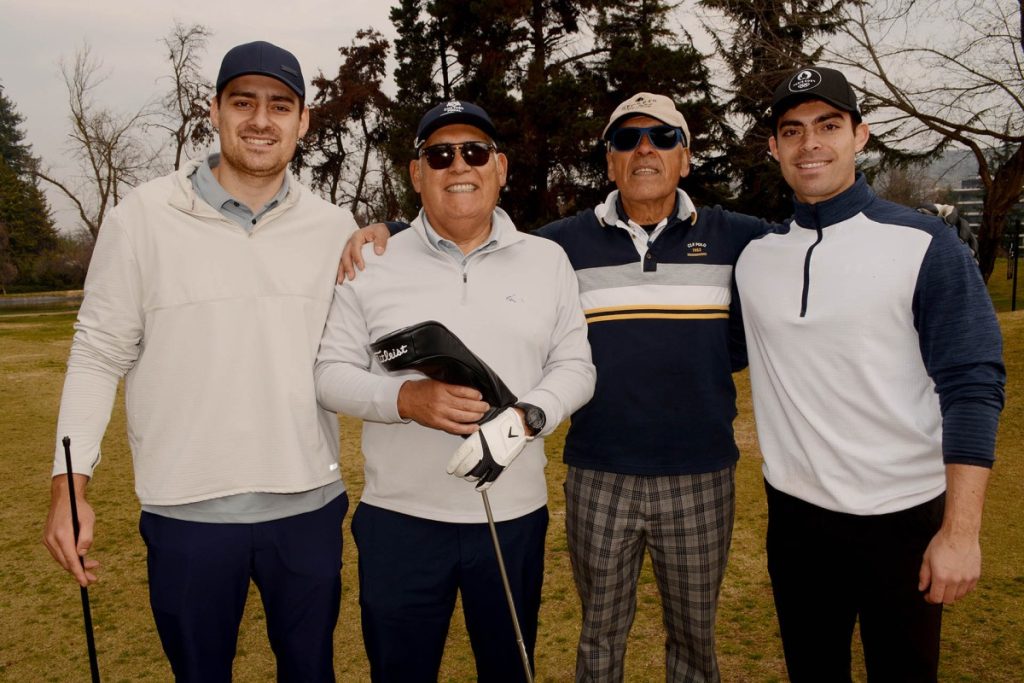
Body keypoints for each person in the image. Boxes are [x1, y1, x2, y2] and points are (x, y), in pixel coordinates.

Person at [340, 93, 773, 682]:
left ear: (686, 155)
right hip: (594, 474)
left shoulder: (735, 236)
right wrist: (392, 232)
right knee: (599, 639)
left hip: (696, 473)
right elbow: (464, 225)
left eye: (663, 137)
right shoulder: (562, 244)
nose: (645, 150)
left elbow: (800, 242)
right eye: (627, 140)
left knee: (696, 639)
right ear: (609, 161)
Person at [42, 41, 357, 681]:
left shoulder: (334, 226)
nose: (261, 120)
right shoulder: (142, 218)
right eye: (243, 103)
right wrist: (68, 487)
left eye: (280, 105)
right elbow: (98, 354)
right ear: (214, 111)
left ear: (303, 121)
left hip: (308, 510)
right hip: (185, 515)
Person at [735, 66, 1006, 681]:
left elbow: (973, 385)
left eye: (828, 125)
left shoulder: (925, 243)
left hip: (903, 519)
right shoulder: (755, 257)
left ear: (860, 135)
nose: (810, 144)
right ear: (774, 147)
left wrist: (961, 533)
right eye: (792, 130)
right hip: (797, 522)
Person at [313, 100, 595, 682]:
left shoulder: (548, 260)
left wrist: (528, 415)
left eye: (475, 152)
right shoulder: (371, 260)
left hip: (512, 516)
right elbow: (329, 374)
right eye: (440, 155)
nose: (458, 165)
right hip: (400, 520)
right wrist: (406, 401)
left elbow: (576, 366)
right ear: (417, 174)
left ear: (500, 167)